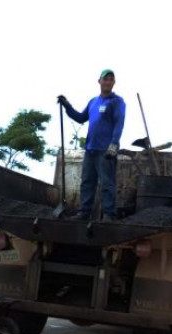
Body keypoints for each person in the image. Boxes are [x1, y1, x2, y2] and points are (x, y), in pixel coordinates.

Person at [57, 69, 126, 222]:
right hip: (90, 149)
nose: (108, 82)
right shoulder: (93, 102)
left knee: (107, 183)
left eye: (111, 79)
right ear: (99, 81)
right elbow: (81, 118)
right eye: (105, 79)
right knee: (87, 182)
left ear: (113, 83)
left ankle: (109, 214)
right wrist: (67, 106)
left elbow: (119, 124)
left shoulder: (117, 102)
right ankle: (84, 212)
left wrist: (114, 144)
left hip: (106, 150)